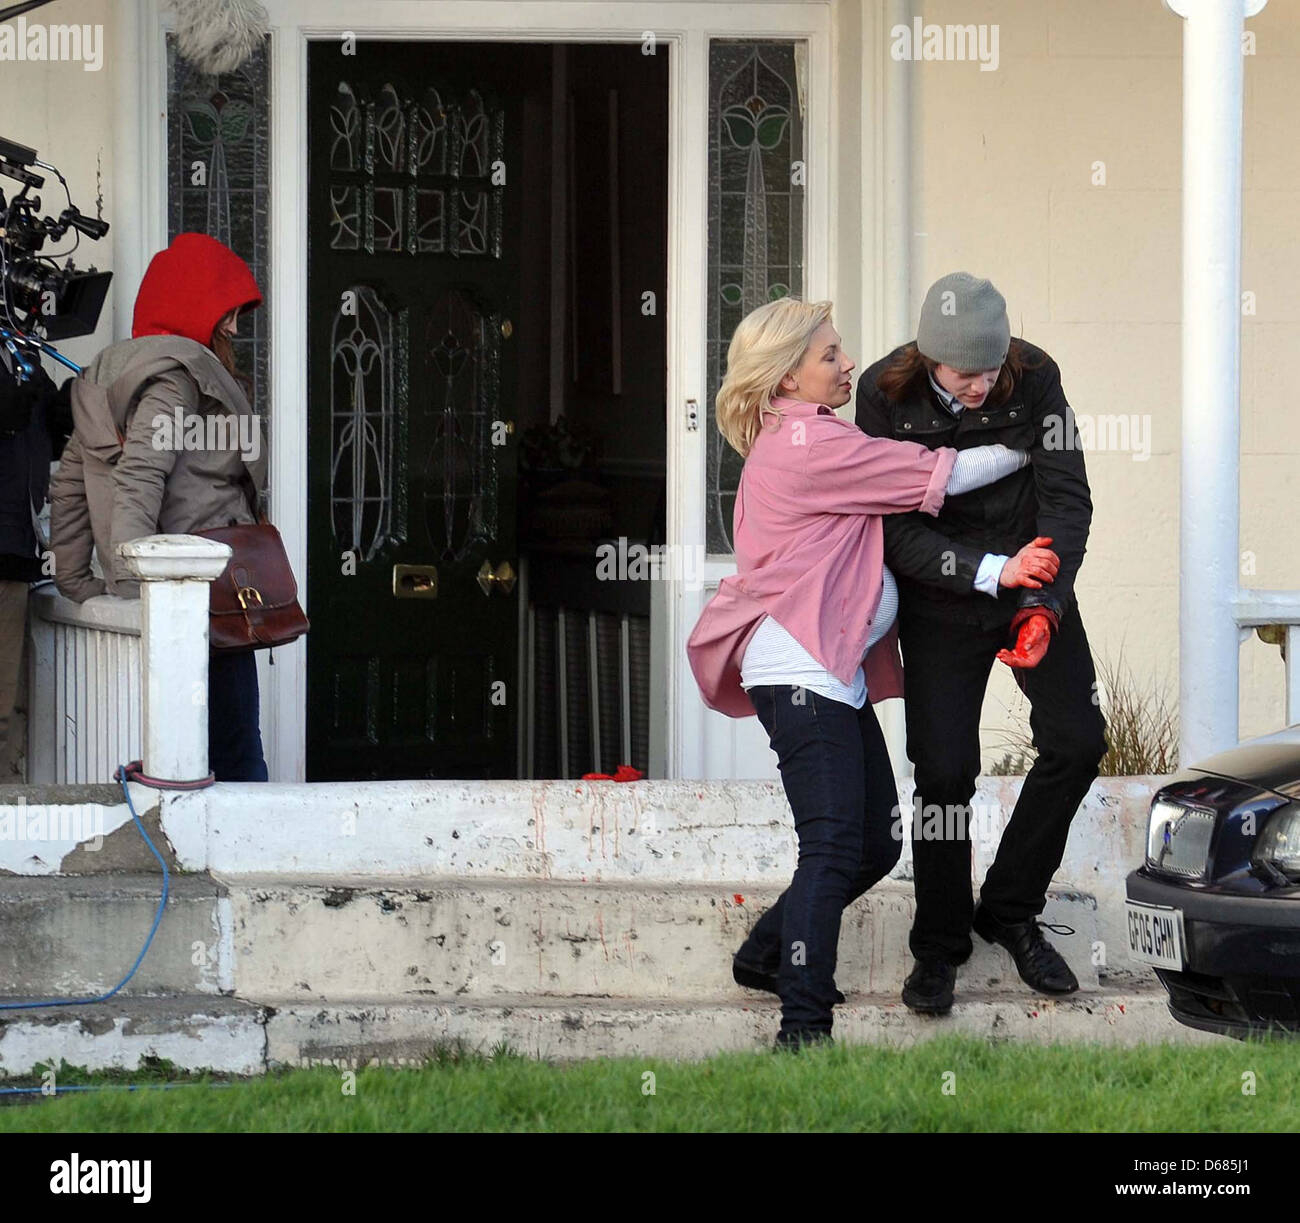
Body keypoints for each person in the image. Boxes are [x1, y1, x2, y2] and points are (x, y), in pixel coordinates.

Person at [687, 296, 1043, 1049]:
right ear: (787, 376)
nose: (847, 363)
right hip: (800, 669)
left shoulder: (809, 438)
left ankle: (763, 954)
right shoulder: (808, 444)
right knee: (832, 844)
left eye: (842, 351)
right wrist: (1029, 439)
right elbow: (940, 473)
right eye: (829, 355)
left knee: (877, 841)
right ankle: (804, 1027)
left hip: (830, 670)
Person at [855, 271, 1108, 1015]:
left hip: (1034, 580)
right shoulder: (881, 393)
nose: (980, 386)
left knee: (1078, 738)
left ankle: (1009, 908)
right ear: (930, 360)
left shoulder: (1037, 376)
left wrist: (1041, 605)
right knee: (943, 771)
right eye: (965, 374)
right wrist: (981, 574)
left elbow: (1068, 496)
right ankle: (938, 947)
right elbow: (890, 522)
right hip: (943, 599)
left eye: (990, 372)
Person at [49, 232, 269, 782]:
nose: (236, 330)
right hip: (205, 593)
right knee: (237, 756)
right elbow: (142, 475)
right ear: (193, 304)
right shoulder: (176, 372)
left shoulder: (102, 376)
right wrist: (133, 582)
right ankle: (244, 861)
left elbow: (72, 484)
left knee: (184, 759)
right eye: (227, 315)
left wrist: (78, 579)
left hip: (175, 599)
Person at [0, 339, 72, 771]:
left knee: (3, 709)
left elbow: (50, 430)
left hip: (12, 555)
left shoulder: (23, 354)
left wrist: (72, 399)